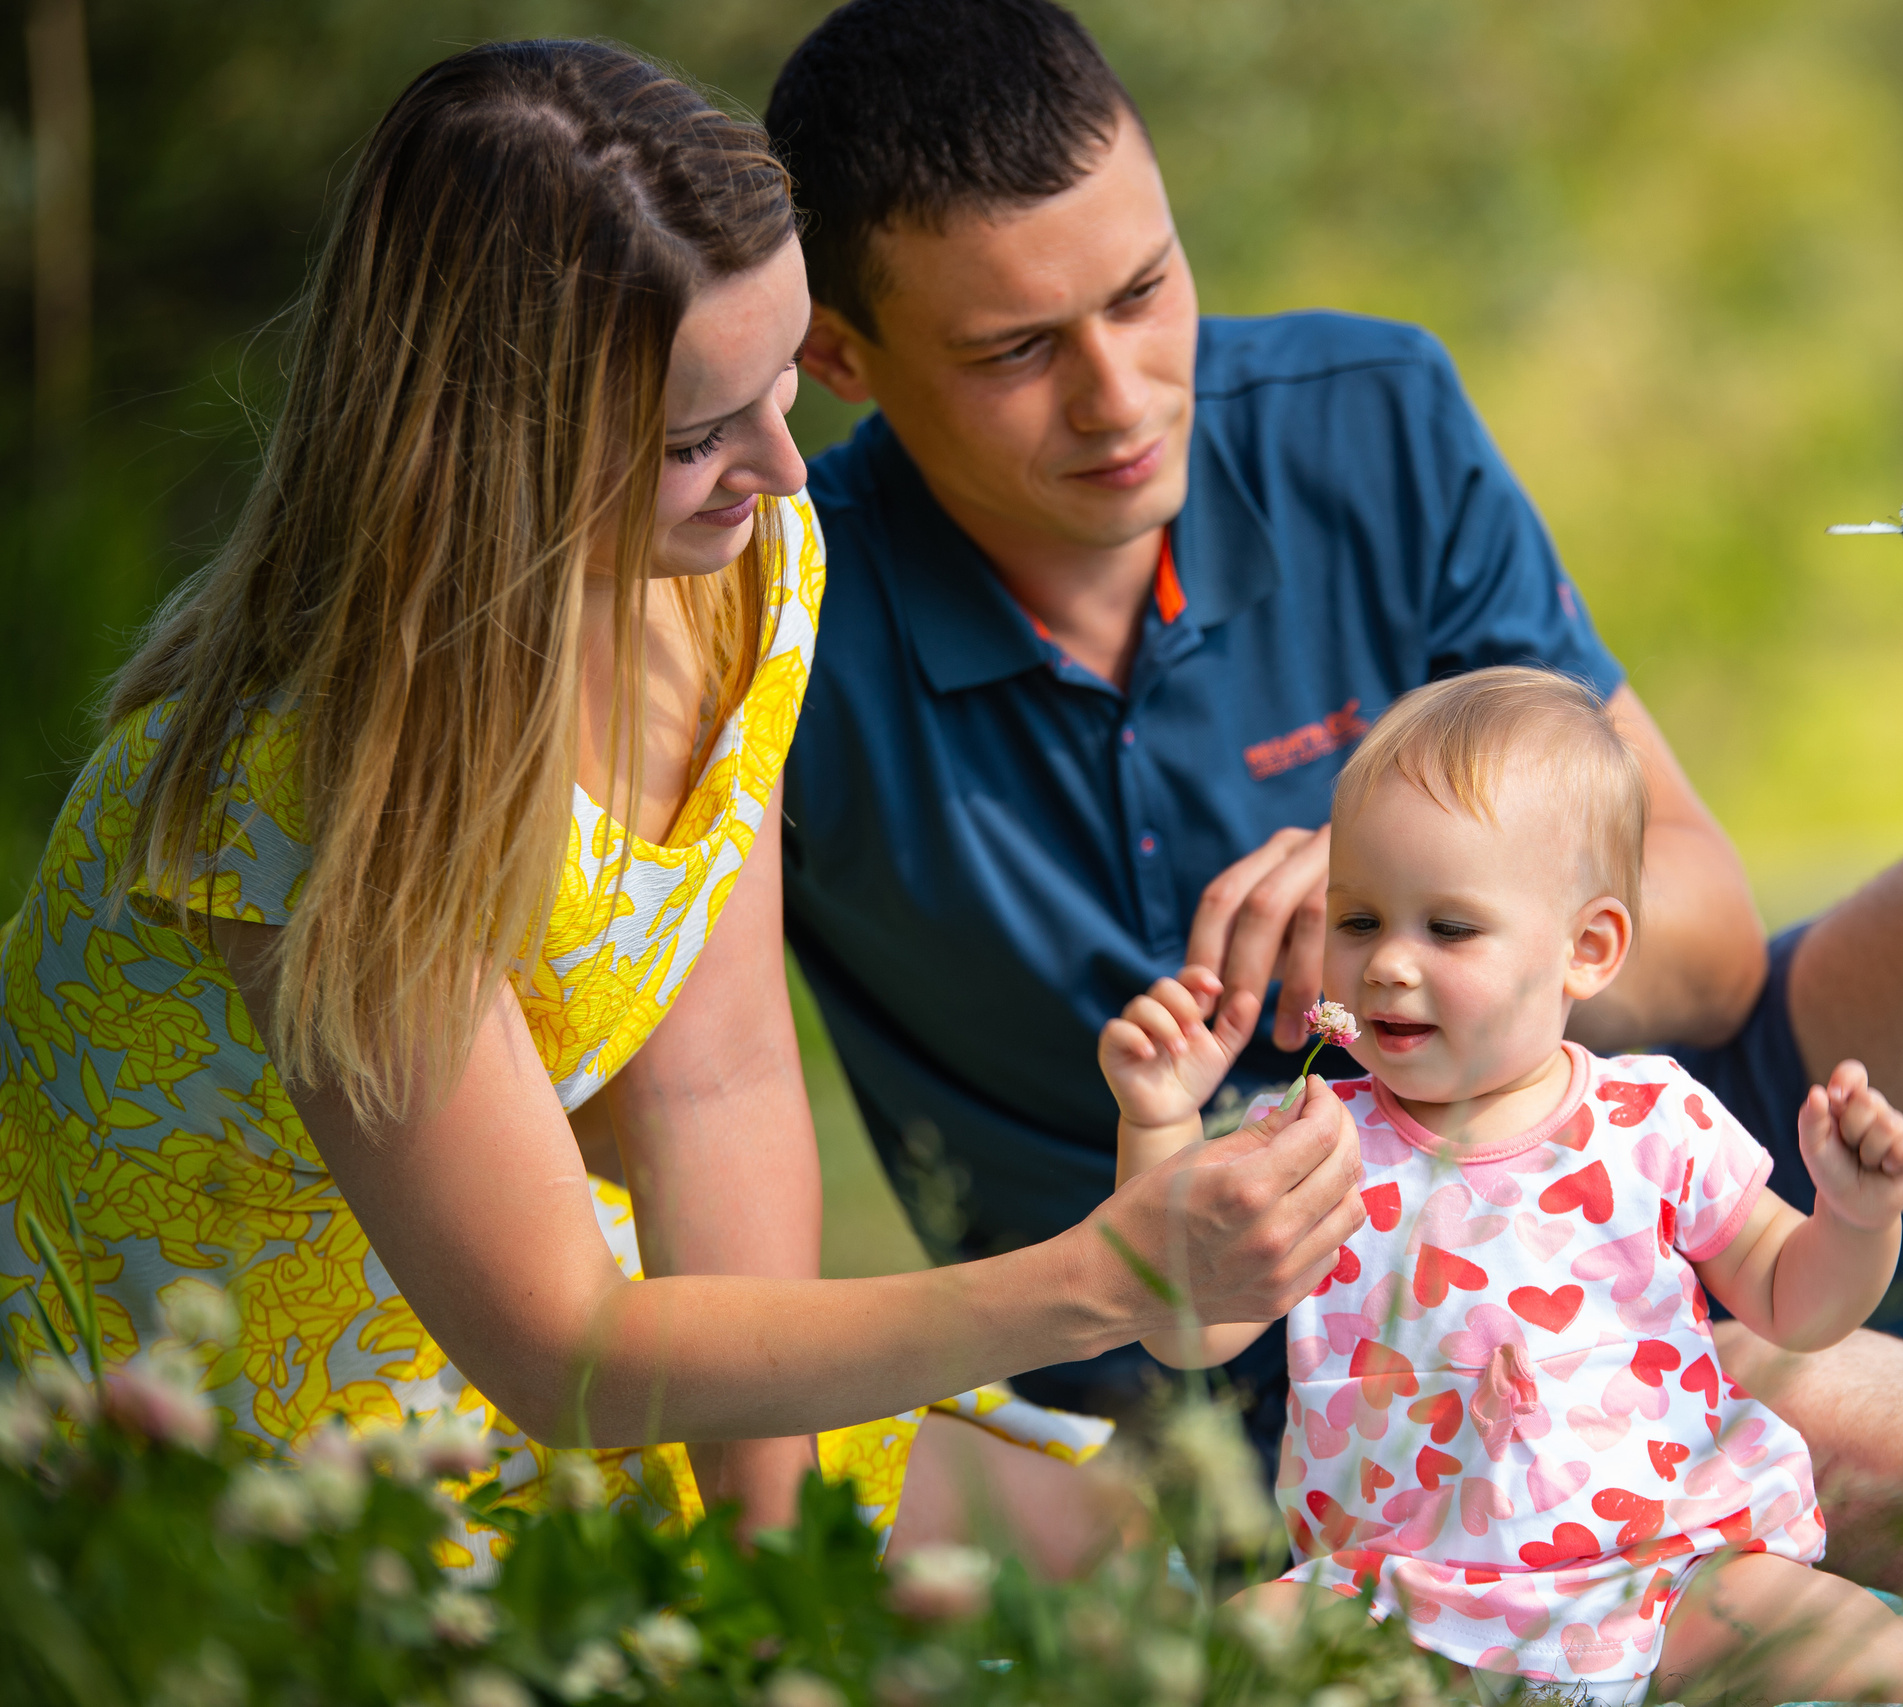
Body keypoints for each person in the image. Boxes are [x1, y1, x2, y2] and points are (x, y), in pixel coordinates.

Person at [767, 0, 1903, 1661]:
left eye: (1147, 289)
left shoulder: (1368, 419)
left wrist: (1424, 908)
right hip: (1281, 1378)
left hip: (1651, 1165)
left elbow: (1693, 935)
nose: (1121, 389)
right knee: (1817, 1418)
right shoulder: (770, 621)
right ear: (838, 356)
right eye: (1017, 350)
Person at [0, 37, 1367, 1571]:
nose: (783, 468)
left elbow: (714, 1091)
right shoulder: (316, 778)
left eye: (781, 384)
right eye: (691, 436)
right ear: (483, 450)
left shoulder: (749, 577)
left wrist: (766, 1546)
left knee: (1154, 1569)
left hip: (571, 1343)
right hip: (235, 1437)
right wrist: (1101, 1280)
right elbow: (561, 1350)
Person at [1102, 668, 1903, 1704]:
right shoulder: (1319, 1136)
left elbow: (1797, 1302)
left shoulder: (1654, 1122)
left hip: (1666, 1571)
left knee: (1887, 1666)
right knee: (1222, 1662)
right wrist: (1159, 1120)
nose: (1387, 967)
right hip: (1398, 1597)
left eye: (1448, 929)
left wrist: (1857, 1219)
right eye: (1359, 921)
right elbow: (1190, 1328)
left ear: (1585, 950)